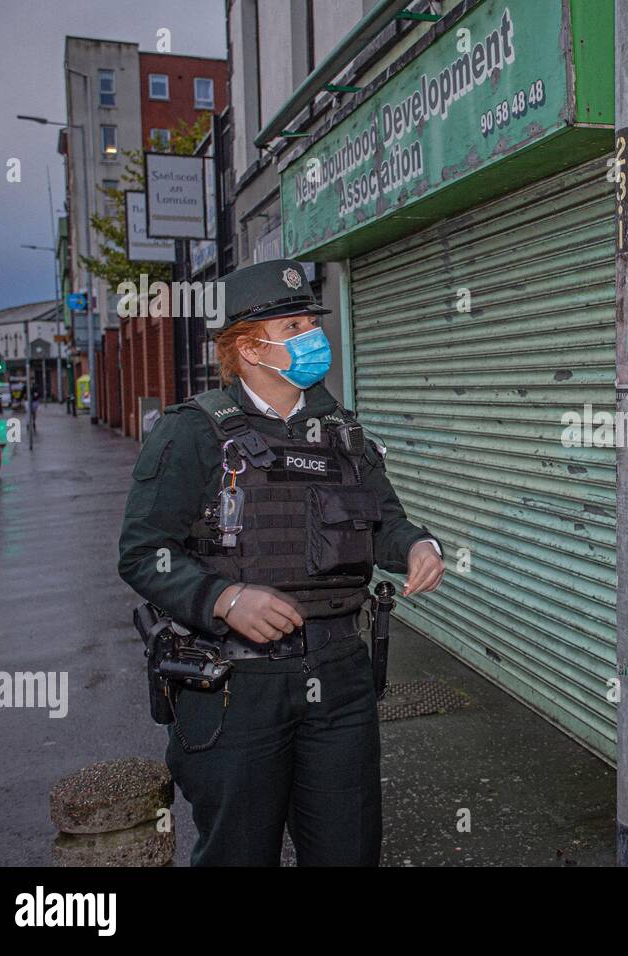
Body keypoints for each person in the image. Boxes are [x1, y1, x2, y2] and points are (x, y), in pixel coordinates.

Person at [119, 258, 445, 866]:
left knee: (349, 851)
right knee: (239, 853)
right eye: (293, 326)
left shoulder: (341, 431)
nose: (311, 338)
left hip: (340, 675)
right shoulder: (191, 434)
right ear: (246, 346)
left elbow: (383, 521)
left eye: (309, 322)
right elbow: (143, 553)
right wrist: (224, 599)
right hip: (233, 687)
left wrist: (417, 545)